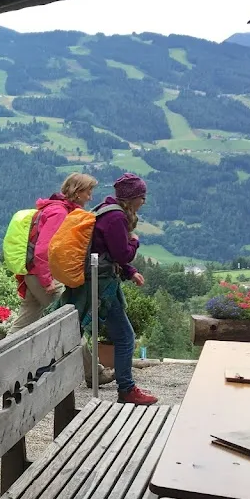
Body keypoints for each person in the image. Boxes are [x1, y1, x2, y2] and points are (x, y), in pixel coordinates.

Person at [8, 173, 115, 387]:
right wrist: (48, 280)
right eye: (88, 192)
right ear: (77, 192)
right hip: (43, 277)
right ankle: (94, 374)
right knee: (70, 324)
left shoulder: (54, 208)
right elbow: (43, 249)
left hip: (33, 275)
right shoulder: (58, 212)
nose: (90, 197)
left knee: (21, 327)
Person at [63, 173, 158, 405]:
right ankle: (126, 389)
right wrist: (134, 240)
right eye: (141, 197)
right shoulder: (116, 218)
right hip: (101, 284)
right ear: (132, 197)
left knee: (76, 330)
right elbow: (120, 253)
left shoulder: (105, 210)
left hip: (94, 278)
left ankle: (124, 387)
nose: (143, 201)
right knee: (125, 337)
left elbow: (106, 252)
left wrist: (129, 271)